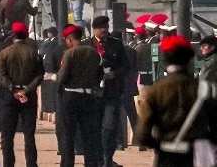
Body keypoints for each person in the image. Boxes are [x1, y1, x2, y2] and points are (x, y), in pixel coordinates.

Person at [134, 35, 217, 167]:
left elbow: (143, 133)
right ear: (190, 58)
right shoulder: (204, 88)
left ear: (165, 58)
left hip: (165, 157)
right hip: (195, 156)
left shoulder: (155, 91)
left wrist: (160, 144)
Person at [85, 14, 130, 167]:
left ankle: (107, 158)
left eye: (105, 27)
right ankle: (98, 158)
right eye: (100, 28)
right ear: (94, 30)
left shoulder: (116, 44)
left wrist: (115, 74)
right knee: (95, 127)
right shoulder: (87, 45)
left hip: (112, 92)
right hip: (93, 93)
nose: (103, 30)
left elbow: (126, 67)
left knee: (109, 126)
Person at [0, 22, 43, 167]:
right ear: (26, 35)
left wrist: (13, 90)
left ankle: (8, 163)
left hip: (9, 96)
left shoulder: (5, 53)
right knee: (29, 134)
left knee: (7, 134)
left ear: (13, 35)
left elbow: (2, 76)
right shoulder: (34, 52)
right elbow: (40, 75)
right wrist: (26, 90)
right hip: (28, 96)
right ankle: (31, 163)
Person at [56, 24, 102, 167]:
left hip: (70, 96)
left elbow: (62, 76)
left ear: (70, 39)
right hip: (88, 96)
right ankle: (91, 163)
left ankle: (67, 164)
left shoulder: (69, 53)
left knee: (68, 135)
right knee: (89, 134)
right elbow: (99, 74)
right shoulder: (94, 52)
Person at [39, 27, 64, 121]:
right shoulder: (60, 43)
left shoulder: (48, 44)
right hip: (58, 71)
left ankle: (50, 114)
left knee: (50, 94)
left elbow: (47, 58)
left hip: (50, 71)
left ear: (50, 33)